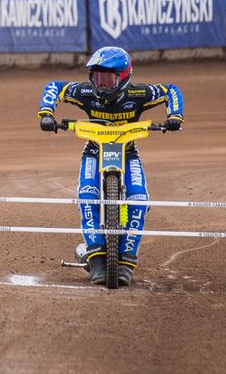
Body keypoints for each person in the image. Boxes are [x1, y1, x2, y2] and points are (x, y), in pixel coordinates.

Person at [37, 47, 185, 286]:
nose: (102, 84)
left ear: (124, 77)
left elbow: (170, 90)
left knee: (138, 200)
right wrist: (46, 113)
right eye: (97, 77)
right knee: (88, 197)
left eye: (108, 78)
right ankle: (96, 259)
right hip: (94, 152)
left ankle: (126, 262)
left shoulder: (139, 93)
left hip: (128, 153)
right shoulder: (85, 92)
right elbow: (55, 86)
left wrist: (175, 116)